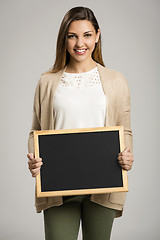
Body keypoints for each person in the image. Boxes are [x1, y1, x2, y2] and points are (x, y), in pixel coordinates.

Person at [27, 6, 134, 240]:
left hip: (104, 184)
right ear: (64, 38)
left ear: (97, 35)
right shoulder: (47, 82)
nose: (79, 43)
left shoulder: (116, 80)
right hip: (58, 186)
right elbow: (35, 132)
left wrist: (128, 155)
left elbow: (124, 129)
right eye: (72, 35)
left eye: (86, 35)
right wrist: (34, 159)